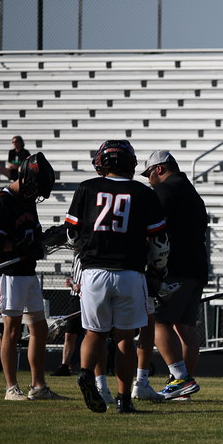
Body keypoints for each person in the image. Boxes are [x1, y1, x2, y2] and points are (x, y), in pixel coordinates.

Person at [64, 139, 168, 414]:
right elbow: (159, 242)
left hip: (94, 271)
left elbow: (72, 234)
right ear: (130, 163)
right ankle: (124, 400)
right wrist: (158, 270)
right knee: (124, 338)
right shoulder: (143, 193)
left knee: (94, 333)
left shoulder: (87, 188)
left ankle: (87, 373)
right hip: (129, 273)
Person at [0, 152, 66, 401]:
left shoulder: (28, 201)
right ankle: (11, 388)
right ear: (25, 178)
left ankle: (38, 386)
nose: (36, 194)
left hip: (27, 272)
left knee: (40, 328)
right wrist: (18, 245)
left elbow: (34, 234)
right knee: (12, 330)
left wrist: (45, 240)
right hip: (8, 273)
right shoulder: (0, 201)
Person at [141, 150, 209, 401]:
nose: (149, 180)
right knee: (187, 327)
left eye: (149, 174)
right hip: (197, 266)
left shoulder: (164, 191)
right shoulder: (191, 191)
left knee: (160, 322)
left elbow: (150, 227)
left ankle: (180, 379)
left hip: (175, 267)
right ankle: (183, 386)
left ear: (159, 169)